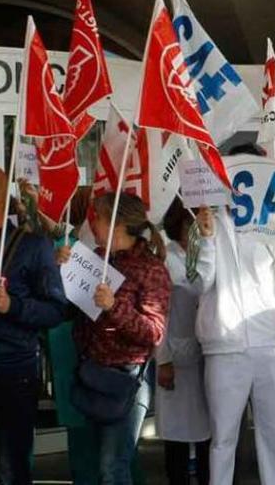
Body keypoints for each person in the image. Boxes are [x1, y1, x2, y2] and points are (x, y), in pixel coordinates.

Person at [193, 199, 275, 485]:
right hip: (224, 346)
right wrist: (206, 240)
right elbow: (198, 284)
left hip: (273, 345)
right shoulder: (208, 222)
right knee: (223, 437)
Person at [71, 192, 171, 484]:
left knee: (113, 467)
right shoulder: (98, 260)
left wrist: (115, 307)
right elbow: (71, 309)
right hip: (92, 373)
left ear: (117, 223)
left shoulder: (151, 269)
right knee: (93, 466)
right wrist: (63, 271)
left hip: (126, 380)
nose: (93, 225)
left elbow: (154, 333)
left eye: (98, 218)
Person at [0, 164, 67, 485]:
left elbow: (56, 310)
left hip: (12, 375)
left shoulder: (32, 247)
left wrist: (11, 305)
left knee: (11, 468)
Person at [156, 200, 211, 485]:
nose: (196, 231)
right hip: (176, 357)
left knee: (207, 437)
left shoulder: (208, 252)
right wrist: (163, 358)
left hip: (206, 357)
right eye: (191, 224)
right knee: (176, 437)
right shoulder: (167, 256)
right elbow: (159, 312)